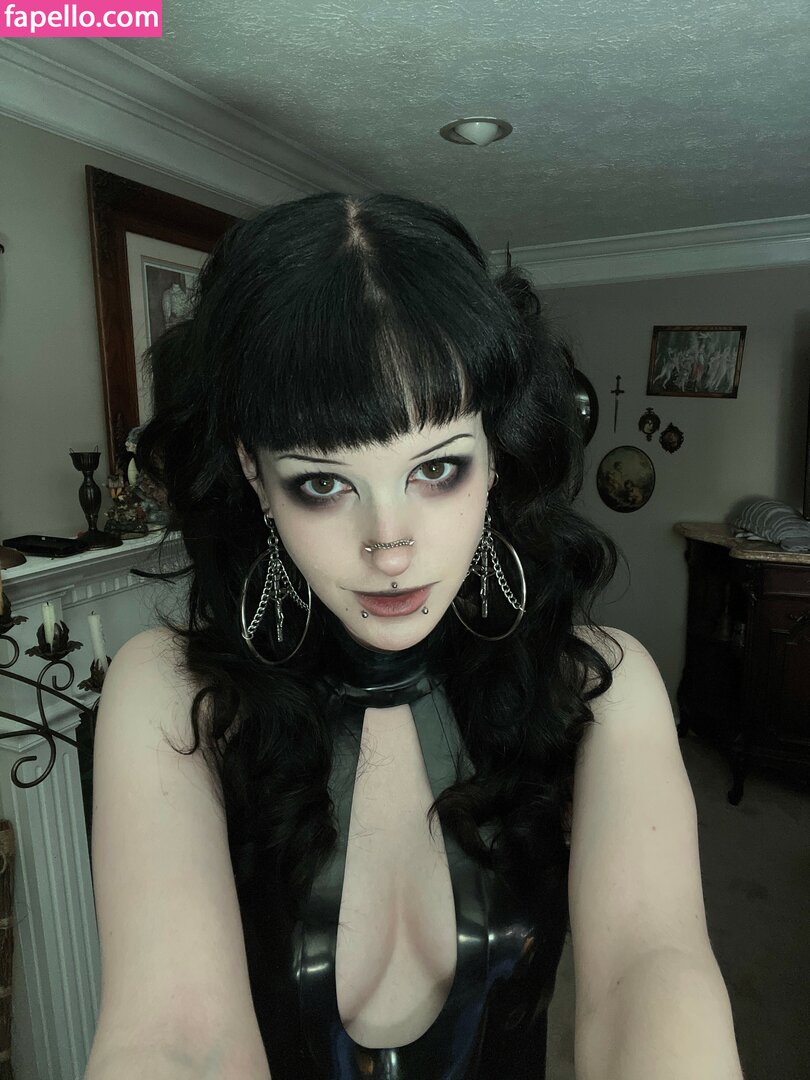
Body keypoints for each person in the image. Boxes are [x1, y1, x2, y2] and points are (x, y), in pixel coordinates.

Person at [85, 194, 743, 1080]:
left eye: (436, 468)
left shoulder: (602, 689)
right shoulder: (170, 698)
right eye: (324, 483)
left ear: (494, 453)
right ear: (254, 472)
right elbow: (173, 1035)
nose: (389, 545)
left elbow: (649, 973)